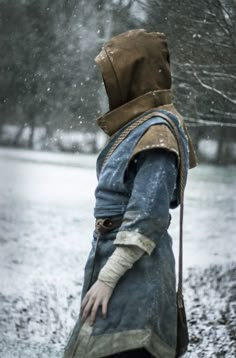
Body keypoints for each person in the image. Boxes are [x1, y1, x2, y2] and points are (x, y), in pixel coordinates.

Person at [63, 29, 197, 358]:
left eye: (115, 75)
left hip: (138, 277)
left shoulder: (157, 133)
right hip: (121, 269)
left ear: (135, 75)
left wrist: (108, 278)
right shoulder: (142, 127)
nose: (109, 85)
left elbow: (147, 217)